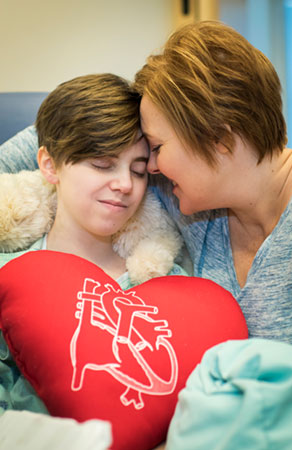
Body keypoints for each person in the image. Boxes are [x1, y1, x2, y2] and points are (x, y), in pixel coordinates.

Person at [0, 73, 186, 448]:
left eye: (137, 170)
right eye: (102, 164)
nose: (125, 184)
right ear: (50, 166)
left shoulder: (165, 286)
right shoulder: (9, 276)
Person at [133, 20, 292, 347]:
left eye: (157, 148)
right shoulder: (195, 204)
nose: (149, 166)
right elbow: (67, 136)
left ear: (218, 140)